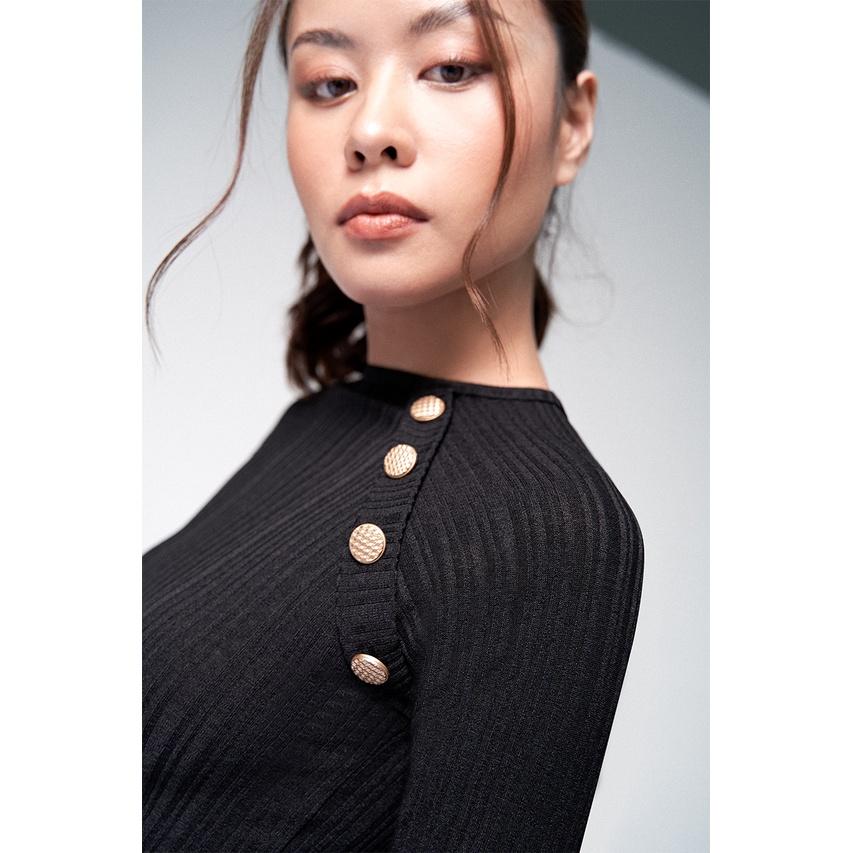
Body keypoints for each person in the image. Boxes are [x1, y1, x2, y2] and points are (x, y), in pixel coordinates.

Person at [142, 1, 644, 850]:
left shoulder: (550, 524)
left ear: (571, 125)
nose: (369, 130)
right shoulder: (324, 418)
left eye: (451, 68)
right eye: (328, 82)